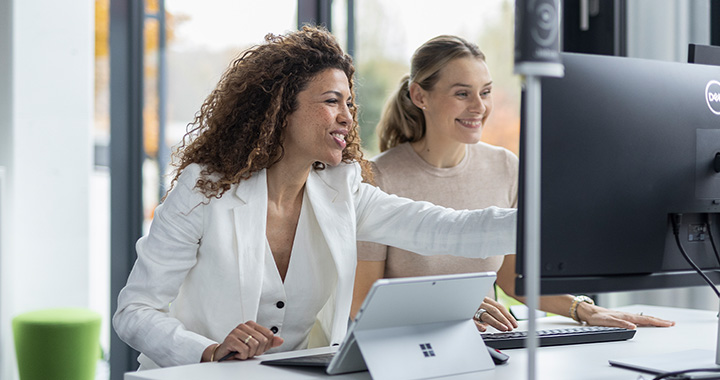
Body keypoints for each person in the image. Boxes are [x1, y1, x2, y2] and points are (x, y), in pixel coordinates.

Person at [112, 26, 518, 369]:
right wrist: (209, 350)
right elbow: (134, 312)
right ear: (280, 108)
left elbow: (444, 229)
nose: (347, 116)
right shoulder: (205, 188)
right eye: (330, 102)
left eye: (349, 103)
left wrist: (549, 220)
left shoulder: (343, 189)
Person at [352, 35, 675, 332]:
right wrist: (450, 308)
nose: (479, 106)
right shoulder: (378, 178)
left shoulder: (504, 167)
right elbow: (359, 301)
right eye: (462, 93)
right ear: (419, 95)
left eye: (486, 92)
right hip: (407, 350)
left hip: (484, 346)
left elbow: (511, 275)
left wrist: (582, 310)